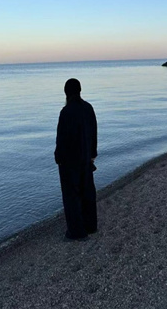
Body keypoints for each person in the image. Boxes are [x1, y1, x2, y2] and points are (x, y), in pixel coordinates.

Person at [54, 78, 98, 240]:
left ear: (66, 93)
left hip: (70, 161)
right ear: (79, 91)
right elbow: (93, 133)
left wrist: (58, 157)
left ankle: (77, 232)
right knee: (88, 193)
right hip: (86, 159)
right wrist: (93, 154)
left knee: (71, 196)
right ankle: (91, 226)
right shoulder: (88, 108)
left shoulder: (66, 112)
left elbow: (61, 139)